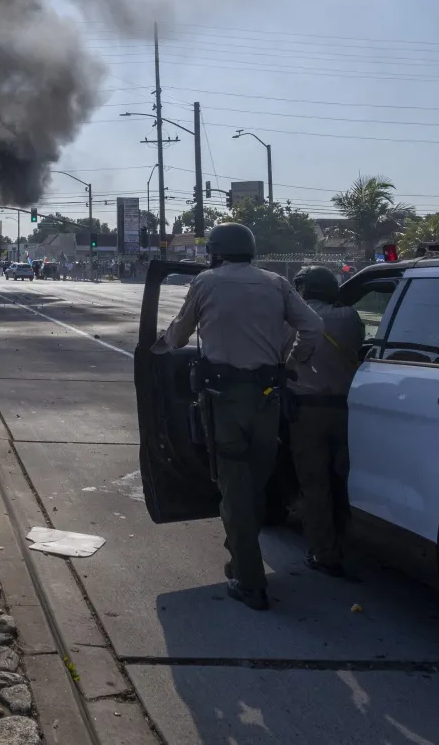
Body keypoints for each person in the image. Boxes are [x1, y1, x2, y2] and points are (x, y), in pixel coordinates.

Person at [153, 222, 323, 610]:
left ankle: (249, 580)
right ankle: (240, 552)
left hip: (223, 399)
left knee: (233, 486)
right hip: (268, 398)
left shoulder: (207, 283)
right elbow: (313, 325)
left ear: (215, 251)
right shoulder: (276, 283)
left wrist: (161, 343)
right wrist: (294, 362)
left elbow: (178, 338)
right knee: (256, 482)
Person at [286, 266, 364, 579]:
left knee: (314, 484)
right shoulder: (350, 317)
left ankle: (325, 553)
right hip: (347, 411)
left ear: (304, 289)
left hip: (307, 412)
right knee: (341, 479)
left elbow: (284, 359)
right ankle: (347, 539)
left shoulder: (295, 318)